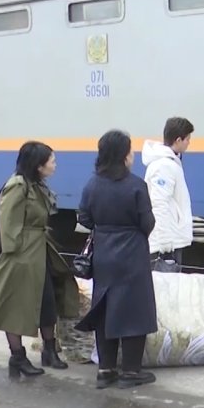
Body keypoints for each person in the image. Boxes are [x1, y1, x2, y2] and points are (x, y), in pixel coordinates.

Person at [0, 141, 81, 377]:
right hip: (21, 257)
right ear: (38, 165)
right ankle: (17, 357)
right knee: (15, 308)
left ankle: (49, 351)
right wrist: (16, 254)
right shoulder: (17, 185)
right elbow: (9, 223)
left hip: (39, 251)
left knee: (47, 302)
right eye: (51, 161)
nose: (55, 164)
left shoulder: (36, 185)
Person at [75, 130, 159, 390]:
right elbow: (148, 223)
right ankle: (131, 371)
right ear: (124, 155)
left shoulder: (92, 184)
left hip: (104, 253)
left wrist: (105, 229)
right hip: (132, 253)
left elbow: (84, 218)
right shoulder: (136, 185)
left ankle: (106, 370)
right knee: (135, 310)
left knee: (105, 310)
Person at [142, 116, 194, 271]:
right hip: (166, 243)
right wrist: (165, 247)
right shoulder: (164, 166)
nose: (189, 143)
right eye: (187, 139)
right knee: (165, 290)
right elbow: (159, 205)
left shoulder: (170, 162)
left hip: (171, 239)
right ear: (178, 140)